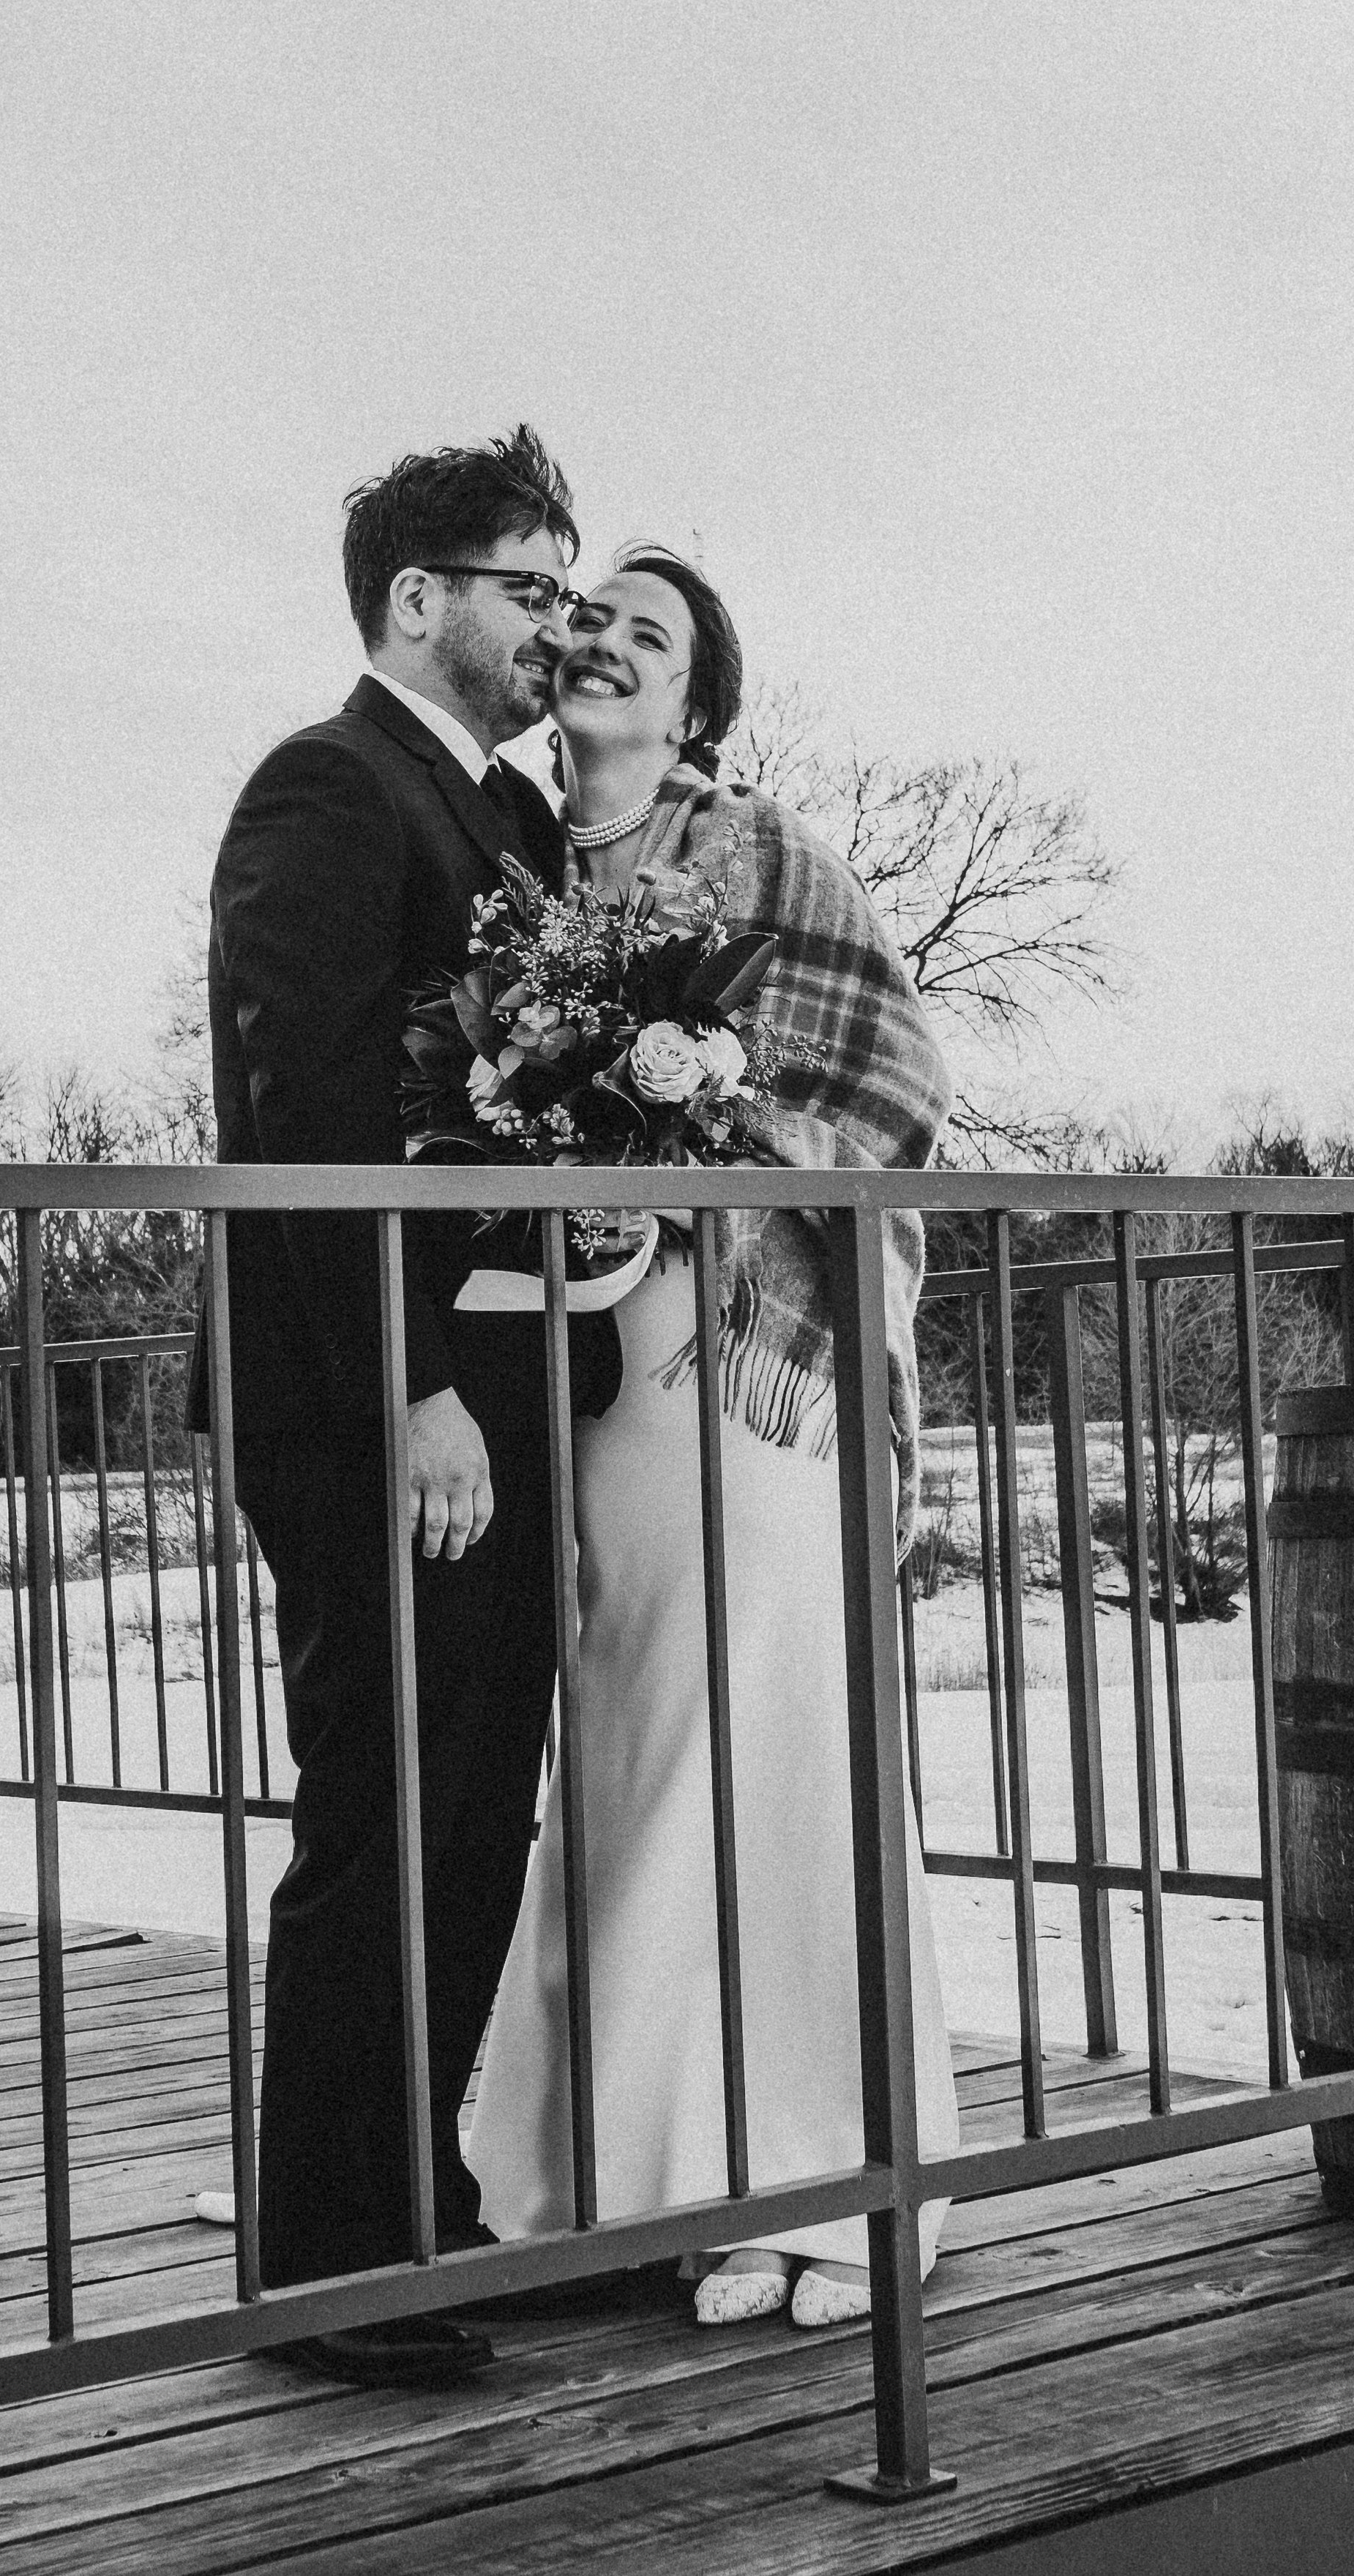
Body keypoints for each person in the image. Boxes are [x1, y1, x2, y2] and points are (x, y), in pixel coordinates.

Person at [466, 547, 962, 2327]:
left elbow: (893, 1082)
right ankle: (643, 2184)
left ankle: (826, 2185)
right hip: (591, 1366)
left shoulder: (753, 851)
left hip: (750, 1354)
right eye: (584, 613)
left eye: (646, 631)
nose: (599, 639)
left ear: (696, 700)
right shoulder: (512, 870)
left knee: (765, 1740)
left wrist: (713, 1099)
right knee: (624, 1747)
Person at [186, 429, 621, 2389]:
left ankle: (422, 2209)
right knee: (382, 1809)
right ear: (416, 597)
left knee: (473, 1805)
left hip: (505, 1386)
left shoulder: (506, 826)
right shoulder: (328, 786)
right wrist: (411, 1386)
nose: (563, 621)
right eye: (530, 584)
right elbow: (312, 1112)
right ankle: (335, 2253)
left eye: (569, 587)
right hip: (386, 1396)